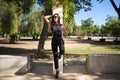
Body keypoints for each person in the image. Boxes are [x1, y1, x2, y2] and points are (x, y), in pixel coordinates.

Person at [44, 13, 68, 79]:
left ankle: (60, 54)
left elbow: (65, 31)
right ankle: (57, 71)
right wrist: (52, 15)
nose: (55, 18)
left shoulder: (61, 25)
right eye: (54, 17)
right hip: (54, 40)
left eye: (56, 17)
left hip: (60, 40)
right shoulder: (51, 24)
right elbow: (45, 17)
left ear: (58, 18)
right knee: (55, 56)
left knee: (62, 50)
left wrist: (66, 34)